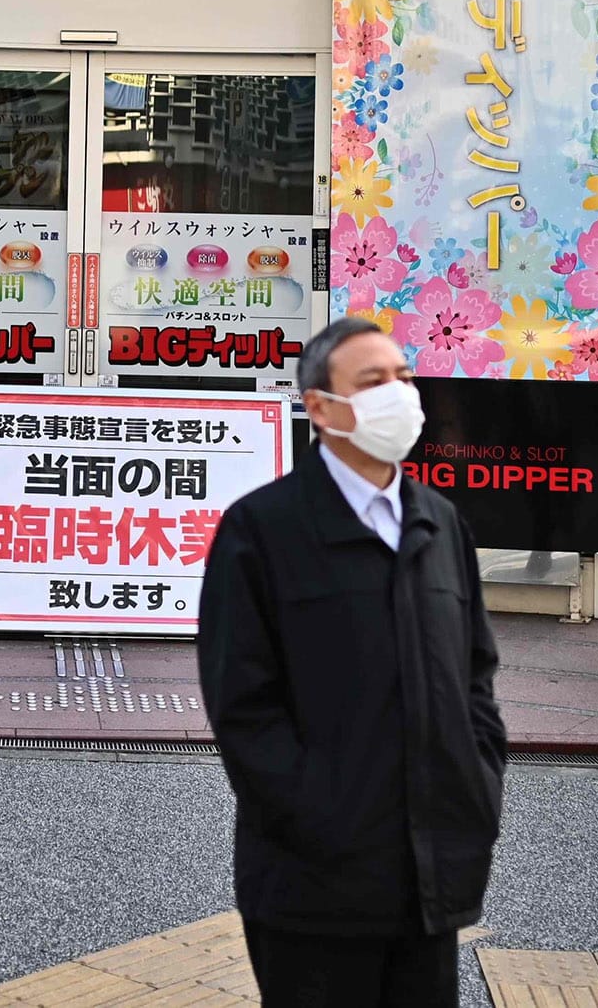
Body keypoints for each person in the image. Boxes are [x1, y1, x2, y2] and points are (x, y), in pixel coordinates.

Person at [197, 315, 508, 1008]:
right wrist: (321, 814)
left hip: (429, 882)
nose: (397, 394)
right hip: (313, 890)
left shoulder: (439, 521)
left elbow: (475, 676)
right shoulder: (262, 530)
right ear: (321, 406)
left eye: (402, 377)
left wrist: (478, 784)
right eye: (372, 381)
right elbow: (242, 707)